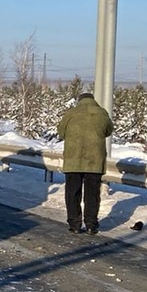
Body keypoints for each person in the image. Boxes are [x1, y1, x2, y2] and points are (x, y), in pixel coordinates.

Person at [56, 91, 114, 235]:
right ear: (93, 100)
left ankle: (74, 224)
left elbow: (61, 132)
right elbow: (108, 131)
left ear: (79, 101)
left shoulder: (71, 113)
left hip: (73, 159)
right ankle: (91, 224)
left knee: (72, 192)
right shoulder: (102, 113)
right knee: (92, 193)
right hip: (94, 160)